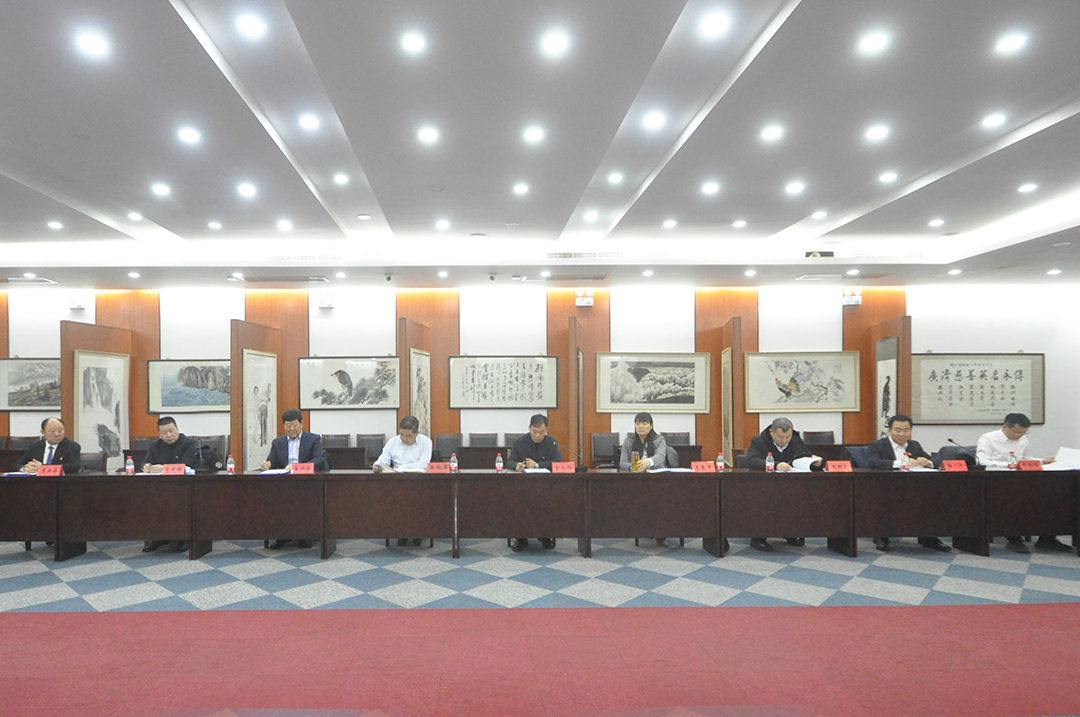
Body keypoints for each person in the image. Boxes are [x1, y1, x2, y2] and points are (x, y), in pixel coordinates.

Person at [977, 413, 1069, 554]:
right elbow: (982, 461)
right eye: (1017, 432)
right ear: (1005, 427)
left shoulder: (1023, 439)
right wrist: (1010, 465)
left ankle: (1047, 538)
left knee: (1050, 497)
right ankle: (1014, 539)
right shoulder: (988, 439)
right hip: (996, 480)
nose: (1019, 436)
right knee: (1015, 500)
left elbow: (1026, 459)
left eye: (1023, 433)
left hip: (1020, 479)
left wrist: (1042, 461)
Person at [867, 414, 949, 553]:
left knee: (933, 498)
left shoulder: (914, 445)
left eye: (906, 430)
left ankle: (929, 537)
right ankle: (883, 536)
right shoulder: (877, 445)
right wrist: (902, 463)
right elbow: (873, 462)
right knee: (888, 500)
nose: (902, 434)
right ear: (890, 430)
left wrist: (927, 462)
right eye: (897, 430)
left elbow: (935, 461)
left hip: (914, 487)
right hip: (886, 487)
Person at [744, 417, 822, 551]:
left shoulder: (795, 440)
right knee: (765, 502)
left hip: (791, 484)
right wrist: (775, 465)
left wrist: (814, 461)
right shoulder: (759, 441)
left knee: (798, 499)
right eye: (780, 437)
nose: (784, 440)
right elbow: (751, 460)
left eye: (787, 437)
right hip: (764, 485)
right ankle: (758, 538)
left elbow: (804, 456)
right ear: (771, 432)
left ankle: (791, 533)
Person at [262, 409, 331, 550]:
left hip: (306, 481)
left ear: (301, 424)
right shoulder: (278, 442)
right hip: (285, 482)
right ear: (284, 426)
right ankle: (283, 535)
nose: (291, 429)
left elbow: (318, 459)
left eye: (294, 425)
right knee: (276, 499)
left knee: (302, 499)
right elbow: (272, 460)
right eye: (288, 426)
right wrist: (267, 464)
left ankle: (305, 534)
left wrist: (297, 467)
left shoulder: (313, 439)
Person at [141, 416, 200, 553]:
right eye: (164, 432)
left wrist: (164, 468)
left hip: (184, 487)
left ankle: (182, 538)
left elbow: (186, 464)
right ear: (159, 434)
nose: (169, 435)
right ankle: (157, 537)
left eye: (171, 431)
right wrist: (146, 467)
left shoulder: (189, 443)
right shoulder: (155, 446)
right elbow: (146, 461)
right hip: (160, 487)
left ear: (177, 429)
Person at [373, 415, 433, 547]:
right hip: (397, 483)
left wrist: (400, 468)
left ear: (416, 433)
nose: (404, 438)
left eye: (408, 436)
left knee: (417, 499)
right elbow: (382, 460)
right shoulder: (392, 442)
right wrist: (377, 466)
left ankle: (418, 532)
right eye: (402, 434)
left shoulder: (426, 442)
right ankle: (400, 531)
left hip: (419, 483)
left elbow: (423, 464)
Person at [506, 414, 562, 552]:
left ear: (547, 429)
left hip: (546, 487)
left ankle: (545, 536)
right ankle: (521, 539)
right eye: (534, 432)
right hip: (522, 487)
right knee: (517, 503)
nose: (537, 435)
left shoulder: (552, 443)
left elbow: (558, 463)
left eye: (541, 432)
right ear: (529, 428)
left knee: (548, 504)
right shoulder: (520, 442)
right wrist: (516, 466)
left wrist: (537, 465)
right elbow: (509, 461)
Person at [619, 412, 669, 547]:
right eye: (637, 423)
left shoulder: (659, 440)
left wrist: (647, 462)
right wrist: (634, 467)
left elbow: (660, 456)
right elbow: (622, 463)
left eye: (644, 423)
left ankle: (660, 533)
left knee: (659, 500)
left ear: (651, 425)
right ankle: (640, 528)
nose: (640, 426)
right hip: (636, 480)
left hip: (657, 479)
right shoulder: (628, 441)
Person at [15, 417, 81, 475]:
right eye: (52, 431)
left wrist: (43, 468)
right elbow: (18, 464)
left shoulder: (71, 446)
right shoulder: (35, 446)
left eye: (60, 430)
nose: (57, 434)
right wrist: (25, 468)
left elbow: (74, 466)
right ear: (43, 432)